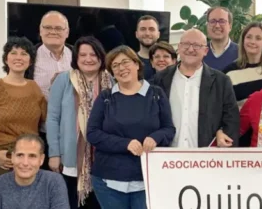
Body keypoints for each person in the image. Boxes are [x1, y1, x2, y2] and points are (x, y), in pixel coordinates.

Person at [87, 46, 175, 208]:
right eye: (115, 65)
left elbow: (169, 129)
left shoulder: (156, 94)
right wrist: (125, 144)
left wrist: (155, 137)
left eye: (125, 62)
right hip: (109, 180)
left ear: (137, 64)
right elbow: (92, 134)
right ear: (112, 72)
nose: (121, 68)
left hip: (146, 178)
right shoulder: (106, 97)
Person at [46, 36, 110, 209]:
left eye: (93, 54)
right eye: (83, 55)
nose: (88, 59)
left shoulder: (111, 81)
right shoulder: (63, 80)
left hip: (103, 158)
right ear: (76, 58)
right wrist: (54, 154)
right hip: (70, 157)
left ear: (101, 57)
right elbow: (52, 118)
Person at [153, 29, 240, 147]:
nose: (190, 49)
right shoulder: (160, 79)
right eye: (186, 44)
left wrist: (222, 134)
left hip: (206, 159)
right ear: (178, 47)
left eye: (196, 45)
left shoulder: (221, 81)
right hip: (166, 158)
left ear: (205, 51)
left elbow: (231, 120)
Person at [0, 37, 47, 178]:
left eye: (24, 54)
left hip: (30, 157)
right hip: (2, 158)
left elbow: (47, 120)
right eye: (13, 53)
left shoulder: (34, 87)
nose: (19, 57)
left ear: (31, 60)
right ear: (6, 59)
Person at [0, 134, 69, 209]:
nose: (25, 163)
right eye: (20, 155)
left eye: (32, 156)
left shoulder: (54, 182)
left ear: (41, 159)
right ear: (12, 157)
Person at [223, 22, 262, 107]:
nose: (252, 42)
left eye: (258, 38)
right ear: (243, 40)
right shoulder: (229, 72)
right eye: (249, 37)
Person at [34, 11, 73, 99]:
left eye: (58, 28)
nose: (53, 32)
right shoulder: (28, 56)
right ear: (40, 31)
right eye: (48, 27)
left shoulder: (79, 55)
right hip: (40, 111)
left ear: (67, 32)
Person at [202, 7, 239, 72]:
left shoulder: (241, 53)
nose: (217, 26)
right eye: (212, 21)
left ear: (230, 26)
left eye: (222, 21)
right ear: (207, 25)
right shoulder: (200, 53)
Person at [134, 15, 161, 82]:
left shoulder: (168, 62)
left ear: (158, 34)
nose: (147, 33)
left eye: (151, 29)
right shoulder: (131, 61)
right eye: (143, 29)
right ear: (136, 34)